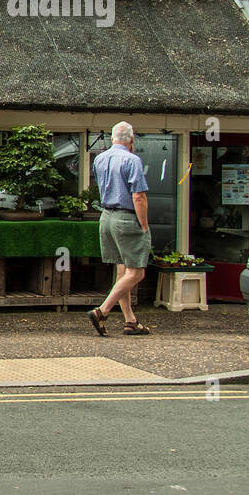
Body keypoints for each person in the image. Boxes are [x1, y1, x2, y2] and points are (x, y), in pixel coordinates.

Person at [88, 122, 152, 336]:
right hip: (126, 217)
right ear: (131, 140)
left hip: (106, 217)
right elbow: (138, 196)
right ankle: (102, 310)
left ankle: (130, 321)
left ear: (112, 138)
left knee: (122, 270)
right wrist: (143, 224)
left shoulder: (99, 158)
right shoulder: (132, 160)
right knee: (137, 272)